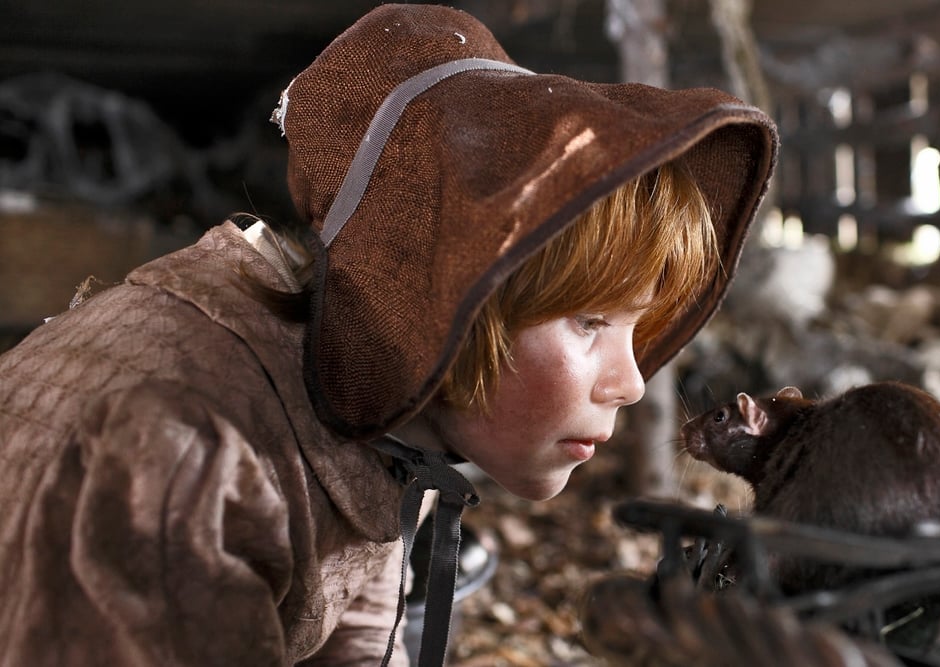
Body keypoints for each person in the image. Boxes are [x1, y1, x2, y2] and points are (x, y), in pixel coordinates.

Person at [0, 4, 776, 666]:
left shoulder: (371, 412)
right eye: (589, 322)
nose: (632, 381)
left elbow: (361, 639)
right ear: (449, 299)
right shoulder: (190, 455)